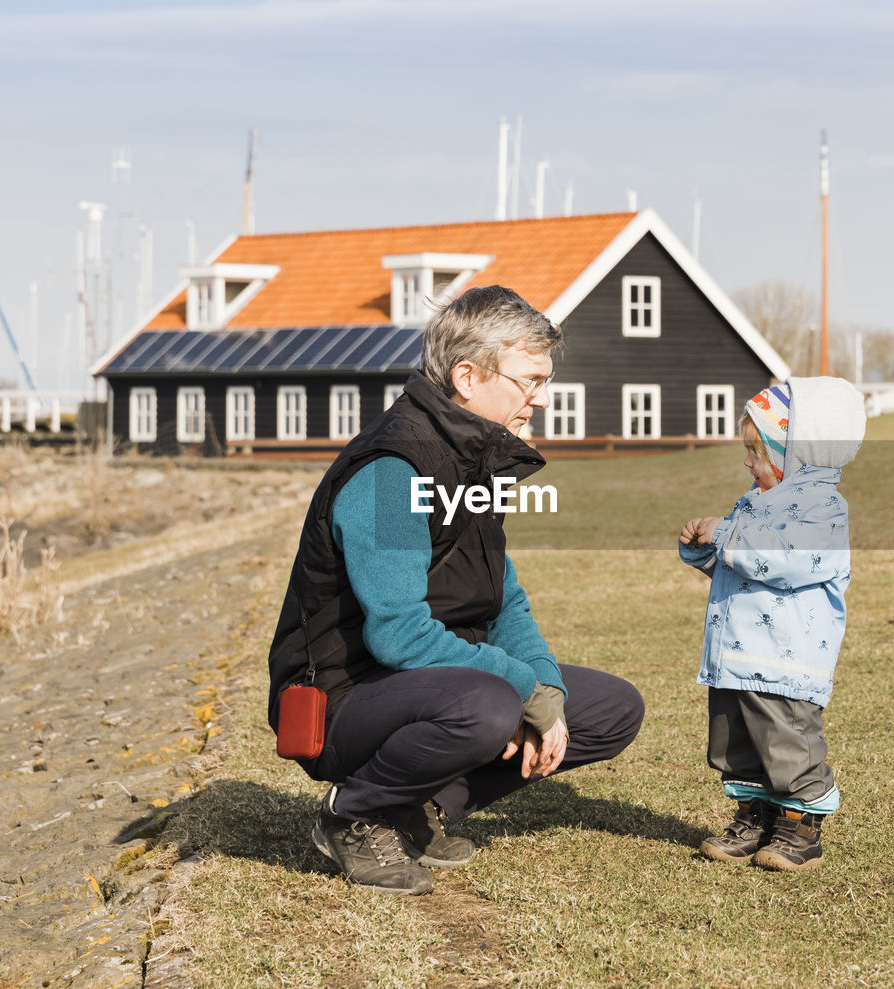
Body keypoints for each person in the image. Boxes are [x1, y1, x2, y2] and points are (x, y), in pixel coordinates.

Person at [267, 285, 644, 895]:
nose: (541, 400)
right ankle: (355, 814)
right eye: (529, 381)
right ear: (467, 376)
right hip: (342, 699)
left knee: (610, 708)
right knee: (490, 705)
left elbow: (504, 600)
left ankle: (422, 804)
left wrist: (543, 685)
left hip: (436, 687)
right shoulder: (392, 471)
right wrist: (522, 693)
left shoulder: (473, 463)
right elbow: (397, 632)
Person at [678, 377, 865, 871]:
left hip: (785, 657)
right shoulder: (755, 502)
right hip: (736, 653)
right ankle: (753, 817)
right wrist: (705, 549)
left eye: (755, 451)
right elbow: (737, 561)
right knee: (736, 742)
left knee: (788, 742)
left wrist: (727, 534)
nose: (747, 462)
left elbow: (781, 559)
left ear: (794, 454)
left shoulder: (824, 510)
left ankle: (800, 829)